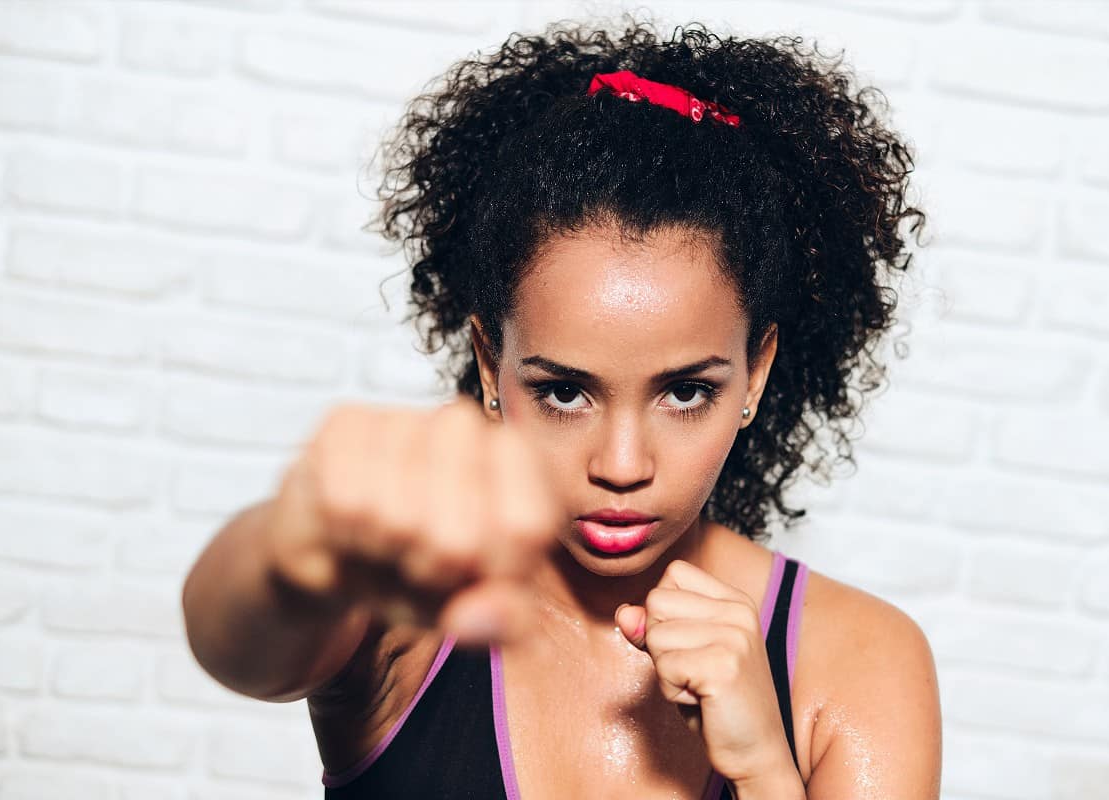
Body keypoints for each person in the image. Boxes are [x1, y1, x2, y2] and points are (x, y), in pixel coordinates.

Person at [182, 14, 942, 800]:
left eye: (686, 392)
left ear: (755, 375)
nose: (621, 466)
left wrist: (763, 771)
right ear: (490, 364)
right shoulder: (416, 609)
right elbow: (236, 649)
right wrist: (295, 548)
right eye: (565, 391)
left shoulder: (857, 665)